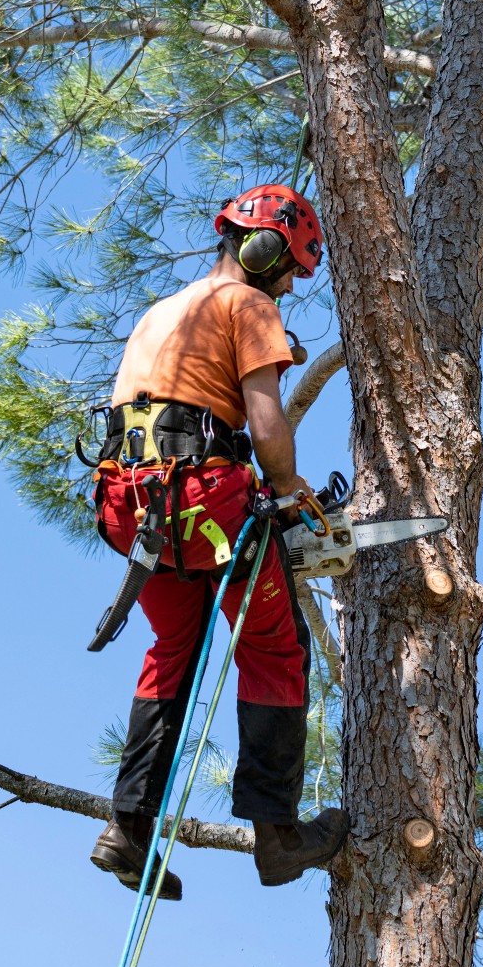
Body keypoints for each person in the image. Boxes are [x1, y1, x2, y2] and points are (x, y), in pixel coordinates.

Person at [88, 184, 350, 900]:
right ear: (263, 248)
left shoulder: (162, 312)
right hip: (200, 501)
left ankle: (128, 828)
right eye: (291, 267)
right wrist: (290, 486)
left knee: (176, 649)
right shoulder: (249, 304)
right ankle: (278, 836)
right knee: (273, 646)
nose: (291, 284)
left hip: (131, 508)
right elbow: (266, 426)